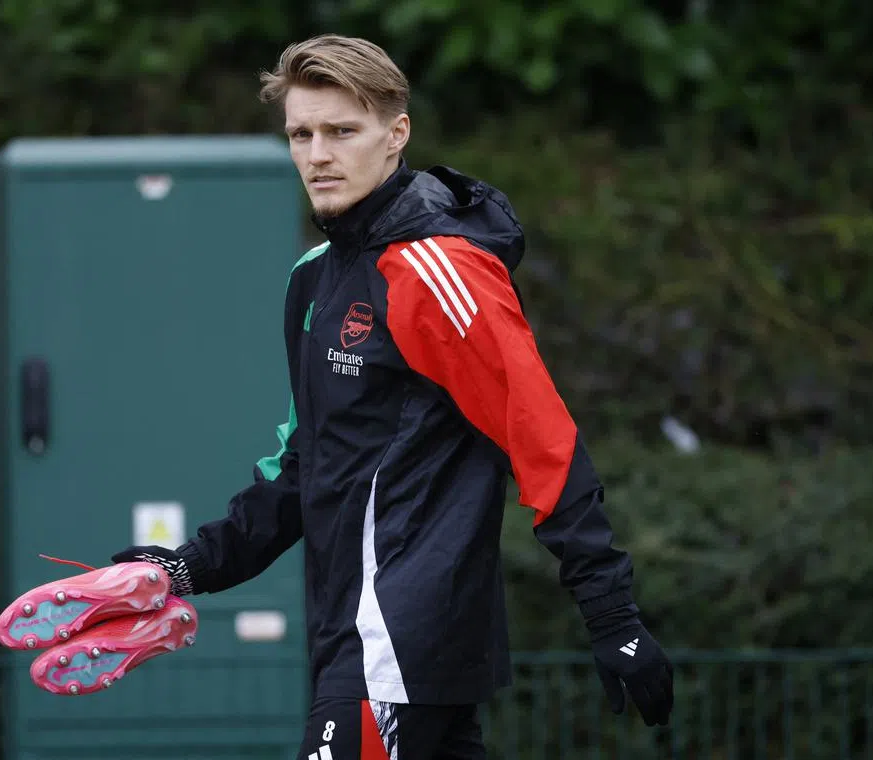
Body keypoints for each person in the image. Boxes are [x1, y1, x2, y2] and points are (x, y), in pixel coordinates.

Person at [111, 34, 674, 759]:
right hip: (351, 639)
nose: (318, 155)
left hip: (400, 644)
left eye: (342, 132)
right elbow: (303, 470)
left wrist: (611, 612)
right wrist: (184, 567)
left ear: (396, 133)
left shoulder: (440, 272)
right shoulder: (314, 277)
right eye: (301, 135)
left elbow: (540, 438)